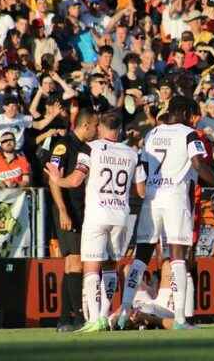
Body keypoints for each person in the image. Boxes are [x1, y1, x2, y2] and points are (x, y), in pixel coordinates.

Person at [117, 96, 214, 330]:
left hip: (152, 197)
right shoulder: (189, 134)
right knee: (178, 255)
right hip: (176, 198)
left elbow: (144, 168)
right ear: (188, 113)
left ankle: (125, 308)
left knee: (142, 255)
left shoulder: (153, 133)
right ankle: (179, 318)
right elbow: (199, 165)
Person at [45, 110, 143, 333]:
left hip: (96, 215)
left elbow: (76, 179)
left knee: (90, 266)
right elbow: (141, 190)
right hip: (120, 215)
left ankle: (93, 320)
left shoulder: (90, 148)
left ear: (100, 127)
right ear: (119, 128)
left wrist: (57, 179)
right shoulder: (132, 152)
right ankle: (103, 316)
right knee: (110, 266)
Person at [45, 108, 99, 332]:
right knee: (75, 261)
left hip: (80, 210)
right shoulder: (63, 145)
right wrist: (63, 210)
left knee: (71, 264)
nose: (97, 130)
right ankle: (78, 317)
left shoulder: (85, 147)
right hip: (68, 211)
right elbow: (53, 180)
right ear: (85, 126)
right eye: (95, 126)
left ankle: (64, 319)